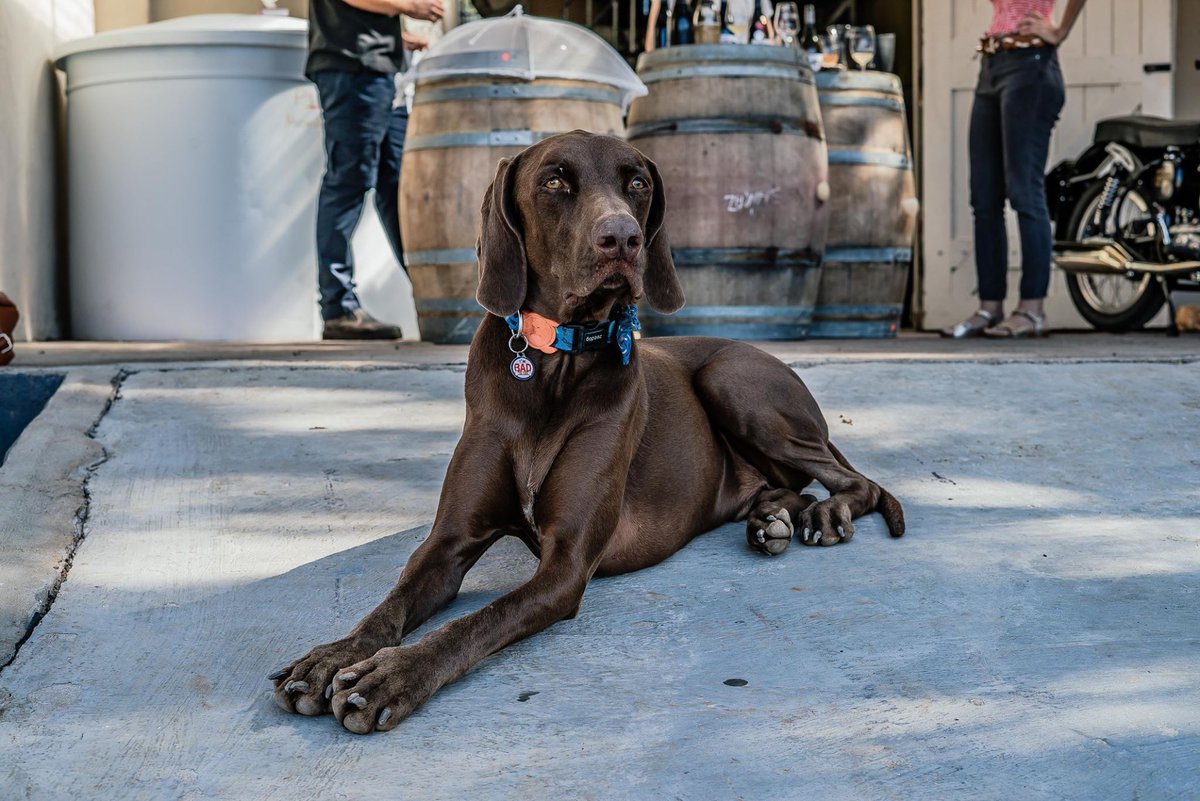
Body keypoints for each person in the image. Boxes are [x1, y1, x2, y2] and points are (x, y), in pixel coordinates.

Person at [942, 0, 1088, 339]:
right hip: (992, 64)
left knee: (1025, 191)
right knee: (984, 197)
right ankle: (989, 307)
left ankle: (1032, 309)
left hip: (1032, 65)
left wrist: (1059, 30)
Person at [308, 0, 444, 340]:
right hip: (354, 70)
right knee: (347, 185)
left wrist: (404, 39)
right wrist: (411, 6)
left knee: (397, 187)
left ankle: (436, 297)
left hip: (378, 72)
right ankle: (338, 308)